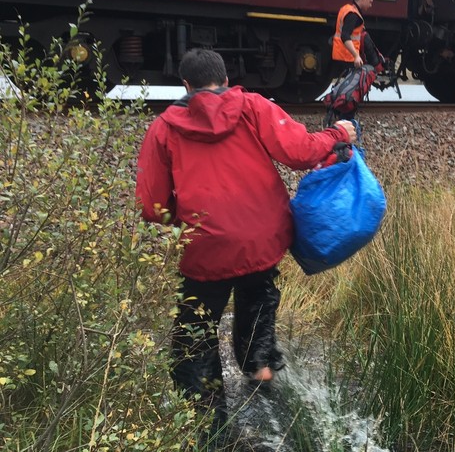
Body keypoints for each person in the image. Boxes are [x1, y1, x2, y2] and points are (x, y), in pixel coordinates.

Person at [135, 48, 357, 434]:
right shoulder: (253, 106)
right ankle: (262, 374)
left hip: (206, 250)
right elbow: (301, 152)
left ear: (185, 85)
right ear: (224, 78)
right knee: (257, 305)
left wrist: (185, 220)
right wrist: (339, 134)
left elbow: (152, 206)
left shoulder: (164, 128)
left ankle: (211, 427)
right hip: (263, 239)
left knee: (195, 337)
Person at [332, 0, 379, 75]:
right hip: (347, 56)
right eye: (370, 2)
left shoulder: (346, 8)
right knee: (353, 86)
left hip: (340, 53)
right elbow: (345, 35)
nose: (370, 5)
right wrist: (356, 56)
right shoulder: (353, 15)